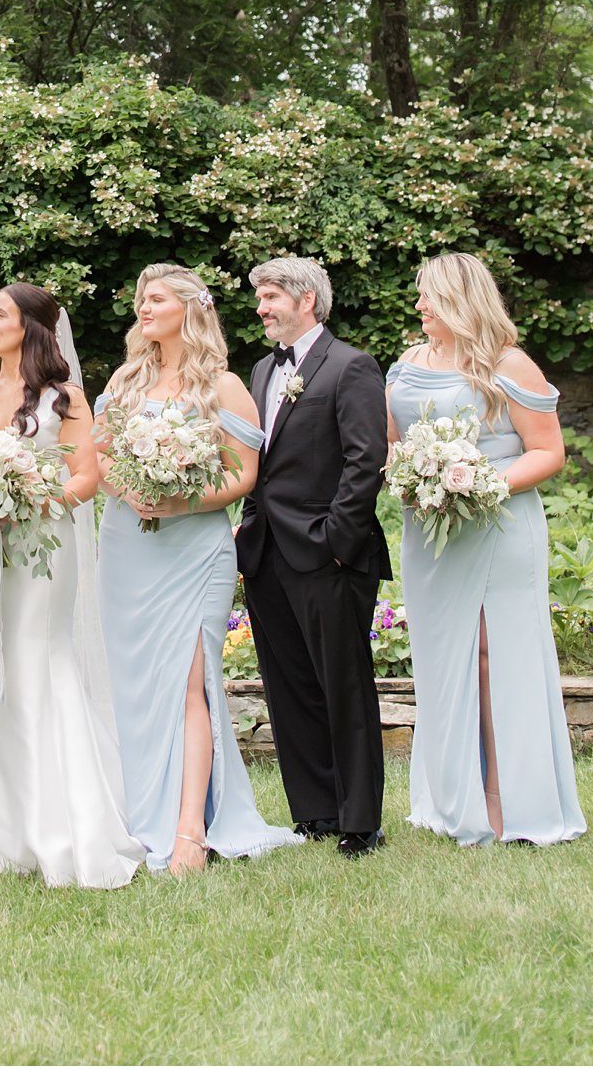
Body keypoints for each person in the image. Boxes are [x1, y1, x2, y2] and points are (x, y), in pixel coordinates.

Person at [95, 264, 301, 874]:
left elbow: (242, 474)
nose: (143, 307)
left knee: (191, 683)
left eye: (155, 298)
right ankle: (135, 815)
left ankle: (189, 830)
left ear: (190, 308)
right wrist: (130, 489)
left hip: (196, 550)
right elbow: (99, 457)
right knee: (130, 683)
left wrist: (183, 498)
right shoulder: (127, 380)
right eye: (140, 298)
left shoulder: (223, 386)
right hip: (128, 544)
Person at [0, 283, 141, 889]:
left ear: (29, 326)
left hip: (40, 553)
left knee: (37, 663)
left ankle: (61, 827)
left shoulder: (64, 398)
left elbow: (87, 476)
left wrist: (28, 500)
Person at [387, 251, 585, 846]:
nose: (419, 305)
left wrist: (479, 482)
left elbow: (548, 451)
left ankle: (506, 801)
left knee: (496, 657)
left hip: (498, 526)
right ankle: (452, 799)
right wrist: (413, 480)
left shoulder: (509, 364)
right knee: (447, 659)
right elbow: (393, 446)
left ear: (459, 300)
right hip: (430, 533)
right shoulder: (406, 364)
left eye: (429, 296)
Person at [237, 254, 391, 857]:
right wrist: (250, 527)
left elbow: (364, 461)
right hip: (268, 552)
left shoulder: (351, 366)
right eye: (260, 297)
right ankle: (315, 811)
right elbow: (261, 461)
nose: (261, 307)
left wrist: (335, 541)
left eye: (271, 296)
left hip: (328, 554)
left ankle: (361, 821)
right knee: (290, 686)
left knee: (343, 685)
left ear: (307, 300)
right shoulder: (259, 370)